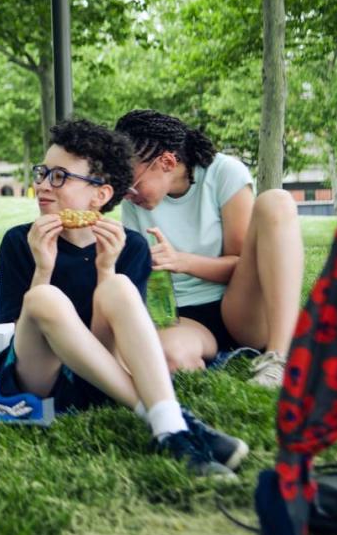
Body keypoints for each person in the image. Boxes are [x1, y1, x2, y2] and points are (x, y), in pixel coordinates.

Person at [0, 120, 247, 477]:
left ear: (99, 195)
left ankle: (169, 429)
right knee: (45, 298)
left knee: (119, 287)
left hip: (102, 376)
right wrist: (43, 267)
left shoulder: (131, 245)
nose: (42, 185)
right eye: (42, 172)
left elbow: (125, 337)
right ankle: (171, 419)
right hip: (40, 377)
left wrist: (106, 268)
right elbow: (19, 329)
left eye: (60, 177)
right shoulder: (19, 242)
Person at [116, 109, 304, 388]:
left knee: (276, 201)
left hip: (240, 306)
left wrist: (182, 262)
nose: (128, 196)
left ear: (167, 161)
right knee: (170, 358)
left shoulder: (224, 173)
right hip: (184, 318)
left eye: (132, 185)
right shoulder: (135, 204)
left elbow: (242, 264)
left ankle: (280, 357)